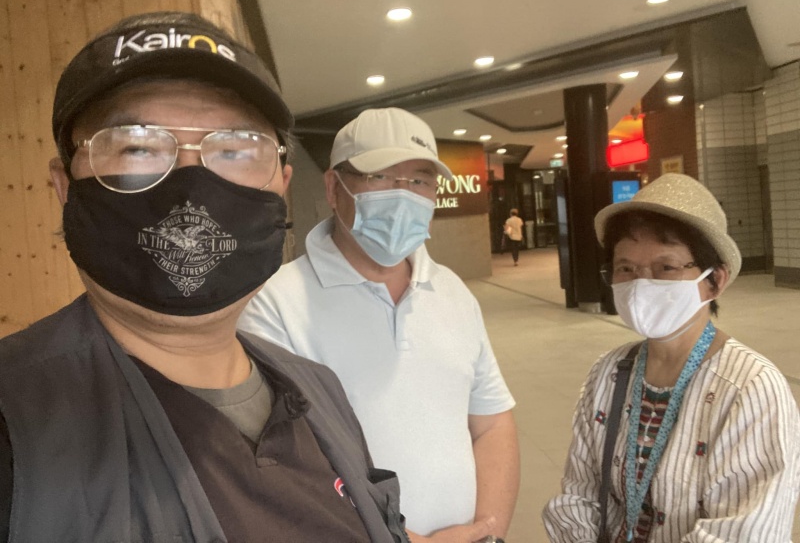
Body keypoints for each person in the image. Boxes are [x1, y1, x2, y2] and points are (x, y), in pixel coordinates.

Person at [0, 12, 409, 542]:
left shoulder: (318, 389)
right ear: (65, 186)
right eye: (137, 146)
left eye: (234, 149)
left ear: (281, 185)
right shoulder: (16, 420)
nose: (191, 183)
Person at [239, 107, 520, 542]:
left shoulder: (452, 292)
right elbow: (283, 466)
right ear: (334, 188)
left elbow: (491, 423)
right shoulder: (275, 304)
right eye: (380, 177)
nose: (403, 195)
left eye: (419, 181)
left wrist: (488, 531)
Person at [543, 173, 800, 542]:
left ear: (715, 280)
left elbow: (744, 533)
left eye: (666, 267)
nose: (641, 283)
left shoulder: (751, 389)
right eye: (626, 268)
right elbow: (578, 495)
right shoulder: (609, 373)